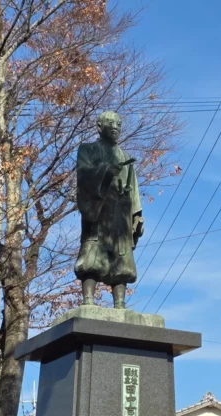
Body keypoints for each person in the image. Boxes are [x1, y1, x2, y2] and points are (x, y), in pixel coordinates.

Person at [75, 111, 144, 308]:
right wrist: (105, 171)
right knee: (92, 254)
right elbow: (84, 174)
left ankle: (120, 304)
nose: (115, 126)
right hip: (98, 209)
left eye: (118, 123)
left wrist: (137, 216)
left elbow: (134, 191)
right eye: (110, 122)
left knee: (122, 258)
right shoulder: (87, 150)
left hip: (121, 212)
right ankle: (88, 300)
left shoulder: (126, 157)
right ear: (99, 126)